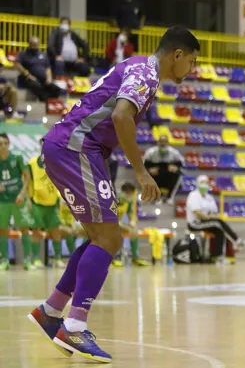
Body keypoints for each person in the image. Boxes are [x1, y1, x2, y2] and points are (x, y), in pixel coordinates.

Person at [27, 25, 200, 363]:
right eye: (191, 62)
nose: (190, 69)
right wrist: (139, 170)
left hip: (69, 147)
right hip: (77, 148)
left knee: (100, 237)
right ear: (177, 55)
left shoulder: (138, 67)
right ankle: (74, 326)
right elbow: (122, 116)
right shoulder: (147, 73)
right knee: (110, 239)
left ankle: (52, 311)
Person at [185, 175, 245, 262]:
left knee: (220, 230)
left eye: (206, 183)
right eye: (202, 183)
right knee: (218, 223)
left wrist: (211, 216)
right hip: (194, 224)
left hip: (206, 222)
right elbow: (197, 213)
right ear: (198, 184)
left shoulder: (209, 197)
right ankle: (237, 241)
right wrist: (209, 217)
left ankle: (218, 256)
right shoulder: (193, 195)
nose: (204, 185)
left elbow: (214, 212)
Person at [27, 142, 66, 268]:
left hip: (53, 202)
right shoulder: (31, 163)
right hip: (37, 203)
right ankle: (37, 259)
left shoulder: (56, 162)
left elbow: (61, 181)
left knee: (56, 230)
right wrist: (28, 199)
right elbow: (28, 182)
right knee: (36, 231)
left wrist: (61, 197)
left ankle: (58, 258)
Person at [0, 133, 35, 271]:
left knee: (24, 228)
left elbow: (27, 176)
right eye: (0, 144)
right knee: (2, 230)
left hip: (17, 199)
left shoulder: (17, 158)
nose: (2, 146)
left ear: (9, 144)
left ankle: (27, 260)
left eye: (5, 143)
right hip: (2, 201)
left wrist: (22, 193)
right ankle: (4, 260)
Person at [14, 36, 62, 101]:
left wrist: (49, 78)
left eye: (36, 45)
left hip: (44, 80)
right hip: (31, 79)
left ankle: (50, 103)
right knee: (36, 86)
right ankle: (45, 100)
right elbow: (17, 64)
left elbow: (48, 67)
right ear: (29, 44)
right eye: (33, 45)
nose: (35, 47)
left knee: (56, 89)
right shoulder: (24, 54)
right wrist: (27, 74)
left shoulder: (43, 54)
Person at [112, 182, 149, 267]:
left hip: (119, 223)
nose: (130, 196)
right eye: (128, 193)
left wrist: (132, 222)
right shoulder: (115, 199)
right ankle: (116, 257)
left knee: (134, 230)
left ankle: (135, 256)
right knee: (118, 233)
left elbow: (130, 214)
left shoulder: (128, 201)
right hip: (110, 223)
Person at [143, 135, 184, 203]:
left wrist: (176, 168)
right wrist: (149, 170)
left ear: (168, 142)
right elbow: (143, 166)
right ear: (158, 142)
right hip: (155, 174)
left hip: (168, 175)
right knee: (146, 175)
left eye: (165, 142)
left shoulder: (174, 153)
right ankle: (155, 196)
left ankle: (170, 197)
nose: (163, 144)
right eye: (161, 141)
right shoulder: (150, 152)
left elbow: (181, 165)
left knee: (178, 174)